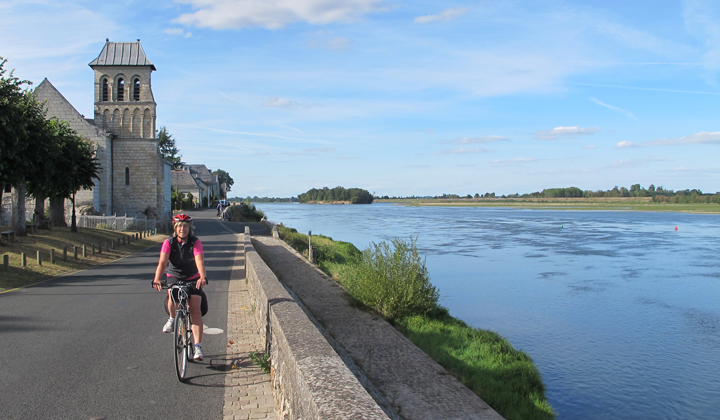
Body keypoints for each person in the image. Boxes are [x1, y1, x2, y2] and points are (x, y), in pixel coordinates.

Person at [152, 213, 208, 361]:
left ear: (190, 228)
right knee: (172, 294)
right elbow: (163, 262)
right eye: (179, 226)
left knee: (195, 309)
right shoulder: (169, 242)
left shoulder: (195, 242)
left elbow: (199, 261)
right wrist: (157, 279)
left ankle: (198, 347)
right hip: (174, 275)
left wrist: (202, 277)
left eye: (185, 226)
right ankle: (171, 318)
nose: (182, 229)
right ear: (175, 228)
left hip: (192, 277)